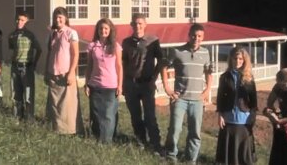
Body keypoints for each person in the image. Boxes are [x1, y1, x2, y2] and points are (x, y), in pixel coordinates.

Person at [161, 23, 212, 163]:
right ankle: (171, 155)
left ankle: (191, 159)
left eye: (200, 36)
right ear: (189, 35)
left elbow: (209, 73)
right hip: (180, 99)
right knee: (175, 129)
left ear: (203, 37)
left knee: (195, 132)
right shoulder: (177, 51)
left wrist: (207, 90)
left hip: (197, 100)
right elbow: (164, 67)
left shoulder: (205, 53)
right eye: (194, 35)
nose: (196, 38)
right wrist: (167, 88)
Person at [121, 13, 164, 152]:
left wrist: (154, 78)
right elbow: (124, 62)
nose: (137, 26)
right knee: (135, 116)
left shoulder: (153, 41)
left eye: (140, 23)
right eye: (135, 23)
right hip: (131, 84)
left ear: (145, 24)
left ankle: (156, 144)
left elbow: (161, 61)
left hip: (146, 84)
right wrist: (122, 83)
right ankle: (141, 141)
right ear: (131, 25)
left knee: (150, 116)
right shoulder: (126, 42)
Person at [215, 47, 257, 165]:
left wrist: (253, 114)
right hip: (228, 118)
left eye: (240, 59)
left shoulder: (249, 77)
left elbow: (253, 98)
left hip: (244, 118)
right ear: (231, 59)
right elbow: (220, 97)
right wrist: (220, 114)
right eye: (235, 58)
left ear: (244, 61)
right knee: (229, 153)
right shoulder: (225, 77)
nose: (238, 61)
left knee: (243, 153)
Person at [84, 18, 123, 144]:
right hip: (95, 85)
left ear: (110, 30)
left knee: (108, 116)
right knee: (96, 115)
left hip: (111, 86)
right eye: (101, 28)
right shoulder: (92, 46)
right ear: (97, 30)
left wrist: (120, 85)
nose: (103, 31)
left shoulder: (116, 46)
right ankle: (97, 138)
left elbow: (119, 66)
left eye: (106, 28)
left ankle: (107, 141)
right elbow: (89, 66)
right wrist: (87, 84)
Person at [45, 7, 82, 135]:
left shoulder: (71, 33)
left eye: (60, 17)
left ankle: (70, 131)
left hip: (65, 73)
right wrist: (46, 71)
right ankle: (56, 129)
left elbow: (75, 54)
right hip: (53, 73)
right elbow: (49, 53)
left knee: (67, 105)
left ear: (65, 18)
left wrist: (72, 73)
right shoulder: (52, 34)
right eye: (55, 17)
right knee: (54, 104)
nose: (57, 19)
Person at [8, 11, 42, 121]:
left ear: (26, 21)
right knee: (15, 94)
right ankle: (17, 117)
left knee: (28, 96)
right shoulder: (12, 35)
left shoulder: (30, 35)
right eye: (18, 19)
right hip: (15, 67)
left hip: (27, 67)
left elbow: (39, 50)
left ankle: (29, 119)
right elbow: (13, 49)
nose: (19, 22)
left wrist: (34, 63)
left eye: (22, 20)